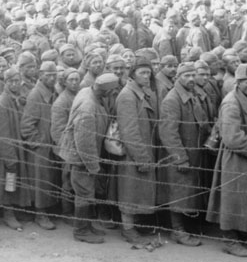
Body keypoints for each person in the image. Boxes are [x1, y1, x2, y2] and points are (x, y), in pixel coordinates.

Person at [206, 63, 247, 258]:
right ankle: (230, 240)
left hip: (245, 156)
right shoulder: (232, 103)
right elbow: (232, 138)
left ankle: (239, 235)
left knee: (242, 196)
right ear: (239, 82)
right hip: (236, 157)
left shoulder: (245, 98)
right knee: (233, 197)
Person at [59, 73, 118, 243]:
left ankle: (87, 225)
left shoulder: (88, 91)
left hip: (83, 155)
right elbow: (84, 142)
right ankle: (81, 231)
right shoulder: (88, 107)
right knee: (84, 193)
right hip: (81, 158)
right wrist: (93, 166)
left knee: (87, 192)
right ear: (106, 91)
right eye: (113, 91)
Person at [159, 62, 211, 247]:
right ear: (177, 77)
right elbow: (168, 132)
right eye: (186, 75)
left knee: (188, 191)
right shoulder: (172, 99)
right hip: (180, 155)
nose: (191, 78)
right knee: (178, 192)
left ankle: (187, 226)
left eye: (193, 75)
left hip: (194, 153)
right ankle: (177, 230)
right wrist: (180, 157)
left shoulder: (193, 95)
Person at [115, 56, 159, 245]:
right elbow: (129, 130)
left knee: (137, 191)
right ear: (132, 75)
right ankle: (127, 229)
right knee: (129, 192)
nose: (146, 76)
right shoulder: (127, 96)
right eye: (142, 72)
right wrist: (141, 158)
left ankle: (134, 225)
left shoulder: (140, 92)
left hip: (143, 150)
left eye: (148, 72)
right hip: (133, 153)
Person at [0, 66, 32, 230]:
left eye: (17, 81)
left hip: (16, 148)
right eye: (11, 81)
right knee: (8, 183)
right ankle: (8, 214)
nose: (15, 84)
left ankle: (15, 210)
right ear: (5, 82)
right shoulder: (1, 104)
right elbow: (0, 135)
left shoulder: (13, 99)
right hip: (6, 152)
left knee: (15, 183)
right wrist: (9, 158)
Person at [20, 61, 60, 230]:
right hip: (40, 147)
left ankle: (48, 210)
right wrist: (38, 143)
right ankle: (40, 214)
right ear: (40, 75)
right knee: (40, 181)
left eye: (54, 75)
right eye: (48, 75)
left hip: (51, 145)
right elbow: (26, 125)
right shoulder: (36, 95)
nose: (51, 78)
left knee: (50, 179)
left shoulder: (53, 92)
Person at [50, 67, 81, 219]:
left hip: (79, 146)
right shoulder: (61, 102)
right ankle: (67, 211)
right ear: (65, 82)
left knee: (78, 181)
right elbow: (57, 131)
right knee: (68, 182)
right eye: (71, 80)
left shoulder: (80, 96)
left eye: (77, 79)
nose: (75, 83)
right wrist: (68, 150)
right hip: (68, 149)